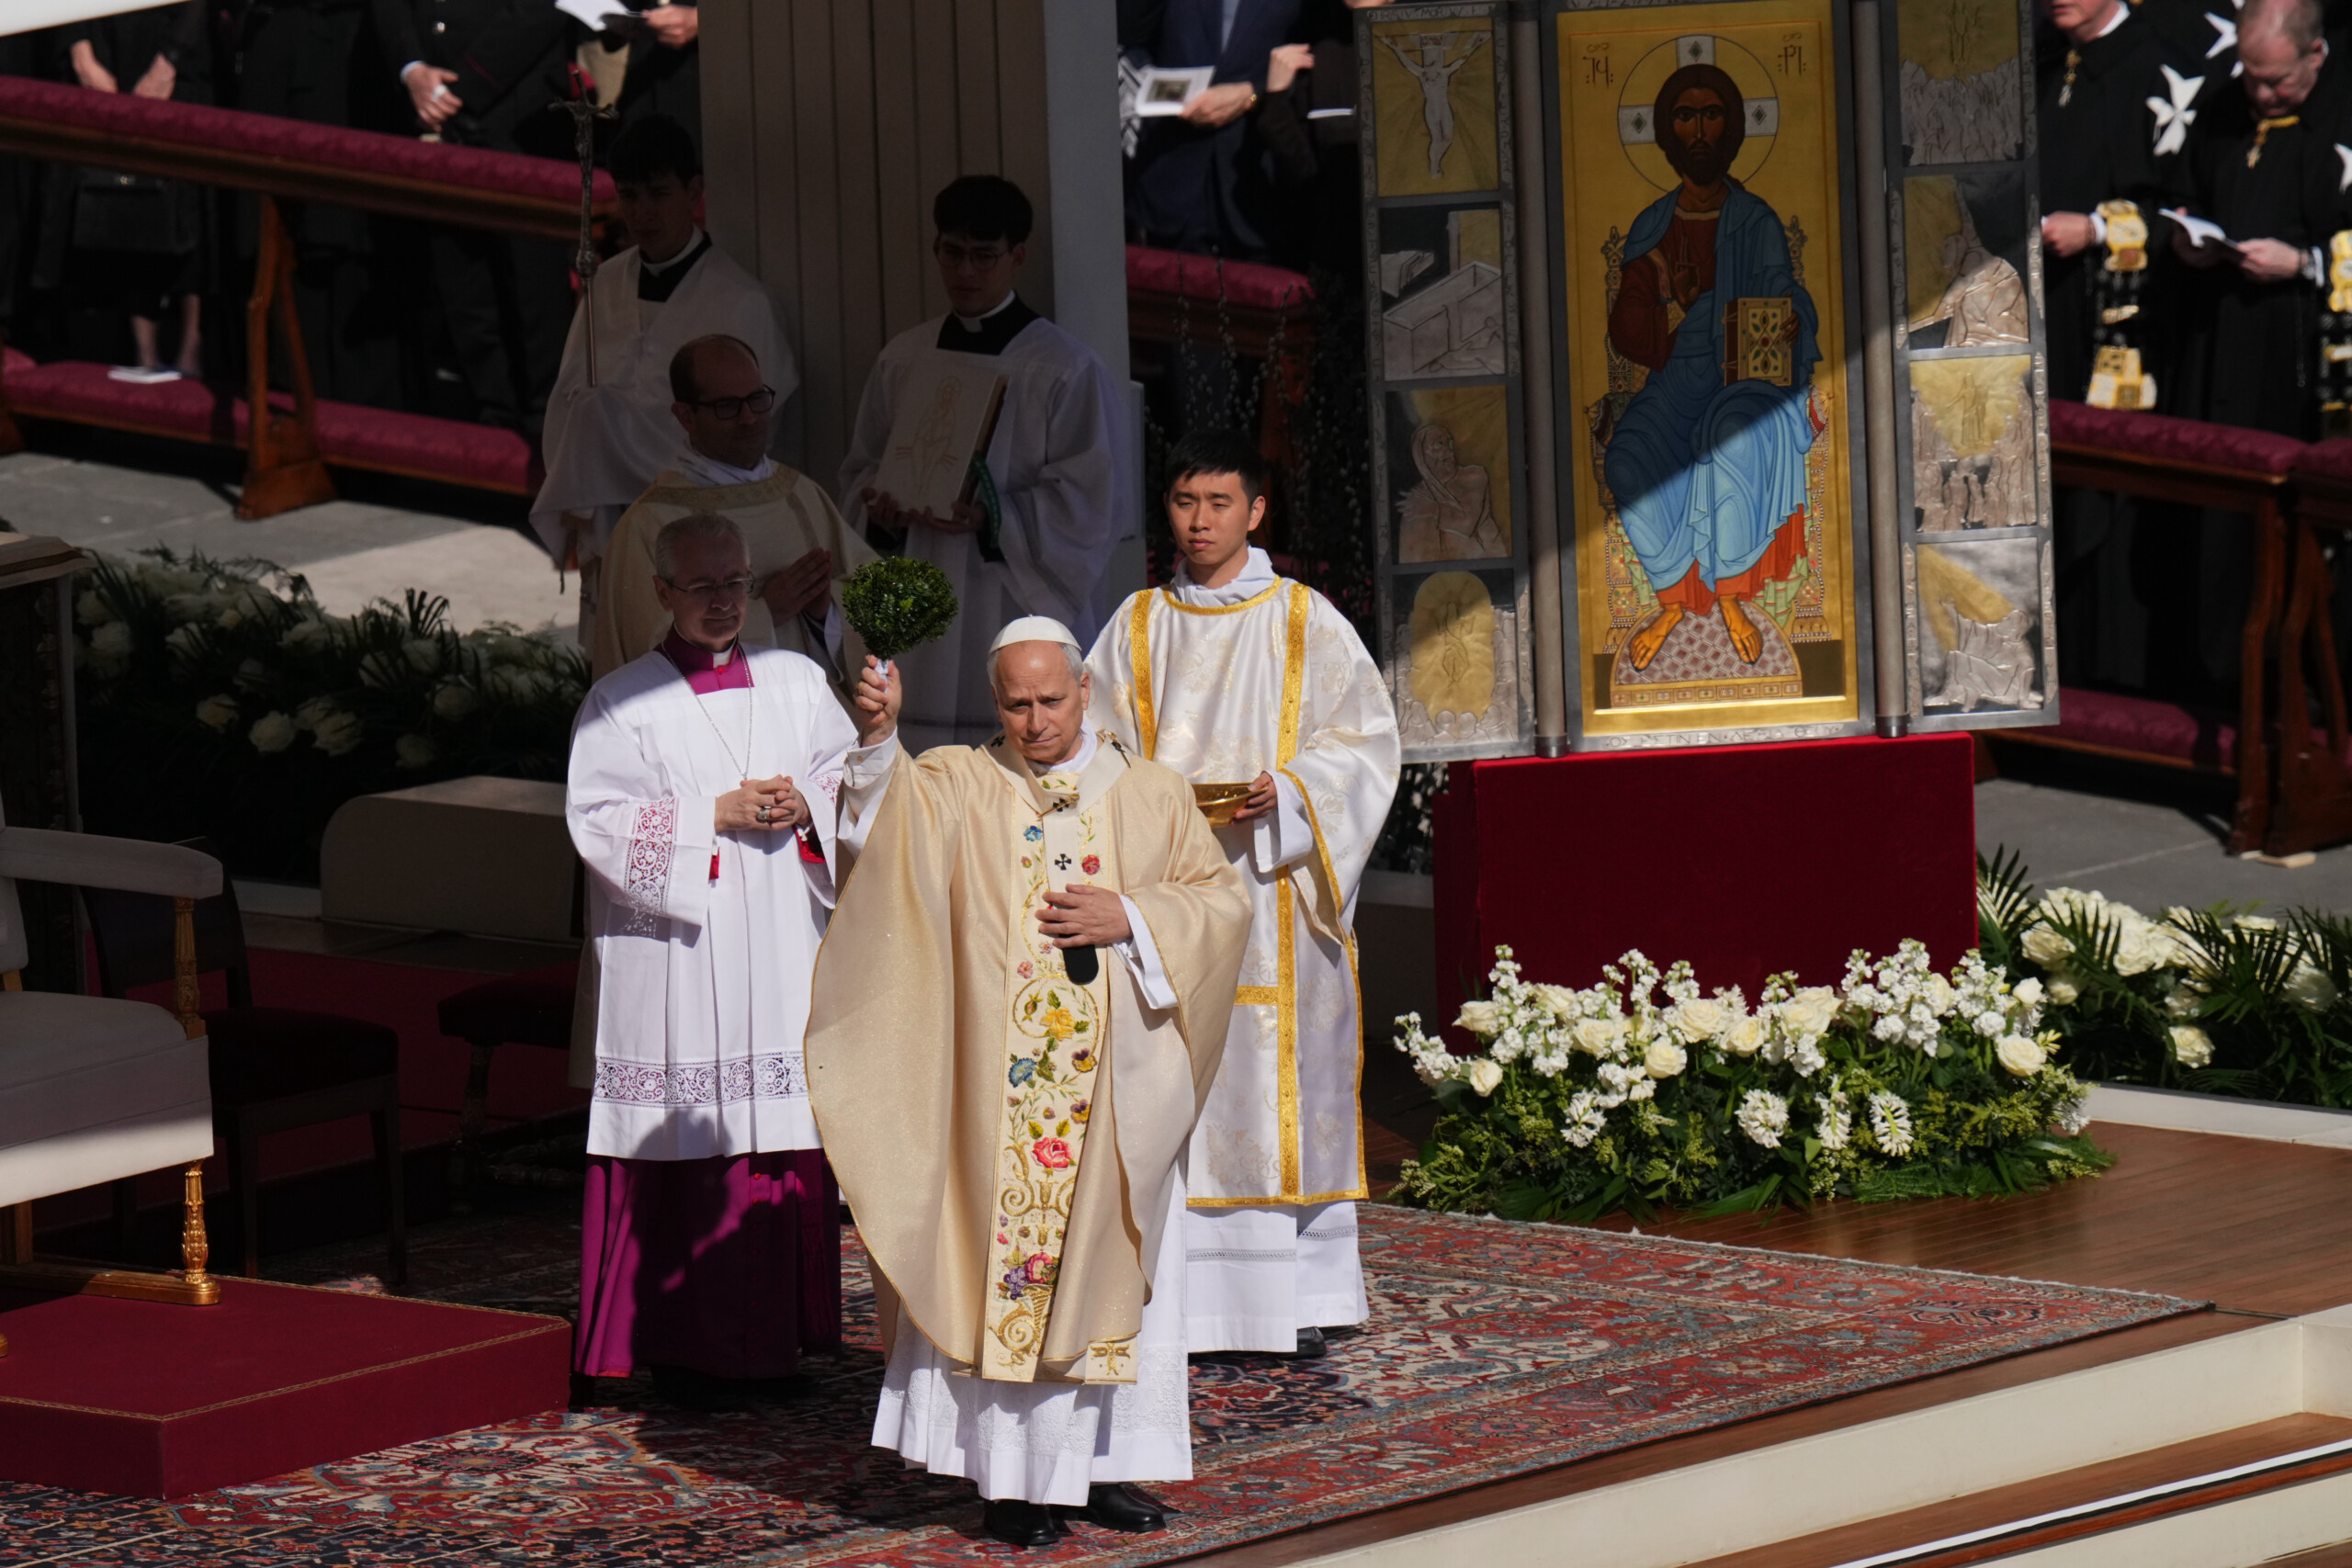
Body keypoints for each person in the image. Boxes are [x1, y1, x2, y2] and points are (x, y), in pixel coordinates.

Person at [807, 621, 1249, 1549]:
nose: (1036, 721)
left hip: (1119, 1097)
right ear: (995, 700)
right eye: (1016, 704)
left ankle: (1102, 1469)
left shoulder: (1152, 793)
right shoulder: (961, 786)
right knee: (1003, 1269)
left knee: (1116, 1279)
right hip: (994, 1101)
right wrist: (882, 742)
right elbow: (883, 844)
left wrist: (1131, 913)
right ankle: (1011, 1482)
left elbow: (1220, 906)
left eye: (1052, 701)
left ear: (1085, 692)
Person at [1083, 430, 1397, 1359]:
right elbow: (1090, 745)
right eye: (1185, 504)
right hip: (1166, 891)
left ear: (1256, 511)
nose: (1200, 522)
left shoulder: (1305, 620)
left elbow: (1367, 743)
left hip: (1271, 886)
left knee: (1269, 1076)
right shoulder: (1137, 624)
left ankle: (1293, 1301)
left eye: (1219, 504)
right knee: (1175, 1072)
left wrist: (1292, 790)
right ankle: (1178, 1297)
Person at [566, 511, 882, 1411]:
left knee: (774, 1142)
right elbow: (593, 822)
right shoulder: (622, 701)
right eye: (702, 588)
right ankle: (676, 1349)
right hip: (683, 958)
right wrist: (713, 815)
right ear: (661, 591)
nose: (723, 603)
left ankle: (774, 1344)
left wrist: (805, 804)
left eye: (736, 584)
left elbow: (847, 773)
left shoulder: (793, 679)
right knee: (691, 1145)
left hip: (779, 939)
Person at [838, 175, 1125, 752]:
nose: (965, 271)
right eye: (952, 252)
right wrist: (885, 511)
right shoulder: (906, 357)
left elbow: (1093, 501)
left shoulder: (1064, 368)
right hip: (923, 597)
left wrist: (996, 517)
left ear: (1016, 256)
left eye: (983, 256)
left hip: (1009, 594)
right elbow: (858, 473)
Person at [533, 114, 799, 626]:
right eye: (629, 196)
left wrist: (610, 421)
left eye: (658, 193)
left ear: (694, 190)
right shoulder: (605, 283)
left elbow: (757, 430)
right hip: (613, 525)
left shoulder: (740, 301)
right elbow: (567, 398)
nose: (642, 212)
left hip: (702, 532)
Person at [1602, 60, 1817, 674]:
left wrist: (1793, 319)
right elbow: (1628, 332)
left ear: (1731, 129)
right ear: (1668, 134)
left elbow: (1786, 300)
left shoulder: (1758, 221)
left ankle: (1729, 600)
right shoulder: (1653, 225)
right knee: (1627, 459)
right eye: (1685, 117)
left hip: (1746, 383)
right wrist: (1669, 302)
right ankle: (1673, 600)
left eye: (1712, 115)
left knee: (1729, 441)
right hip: (1676, 379)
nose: (1699, 132)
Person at [589, 334, 869, 682]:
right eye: (727, 406)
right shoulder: (650, 523)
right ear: (686, 415)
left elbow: (873, 591)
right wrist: (767, 612)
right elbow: (649, 647)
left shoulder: (799, 494)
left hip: (811, 717)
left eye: (756, 399)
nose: (749, 418)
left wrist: (823, 612)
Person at [373, 0, 574, 436]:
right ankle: (493, 420)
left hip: (519, 108)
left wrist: (463, 89)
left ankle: (549, 431)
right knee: (463, 284)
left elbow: (543, 9)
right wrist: (412, 69)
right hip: (433, 109)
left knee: (533, 285)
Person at [2166, 0, 2348, 437]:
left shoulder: (2342, 117)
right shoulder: (2222, 108)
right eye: (2251, 75)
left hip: (2300, 344)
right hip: (2215, 333)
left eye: (2278, 81)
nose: (2262, 94)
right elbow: (2182, 194)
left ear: (2316, 54)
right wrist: (2185, 239)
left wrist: (2305, 263)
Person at [43, 2, 213, 381]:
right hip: (108, 46)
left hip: (176, 51)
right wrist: (82, 55)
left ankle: (191, 350)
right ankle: (145, 353)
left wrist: (168, 63)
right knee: (126, 197)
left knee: (189, 204)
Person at [2035, 0, 2187, 401]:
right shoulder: (2034, 59)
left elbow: (2186, 207)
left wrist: (2096, 229)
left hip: (2116, 310)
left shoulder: (2164, 72)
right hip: (2031, 301)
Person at [1125, 0, 1304, 261]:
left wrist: (1252, 95)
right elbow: (1128, 35)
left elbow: (1325, 59)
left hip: (1258, 184)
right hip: (1171, 183)